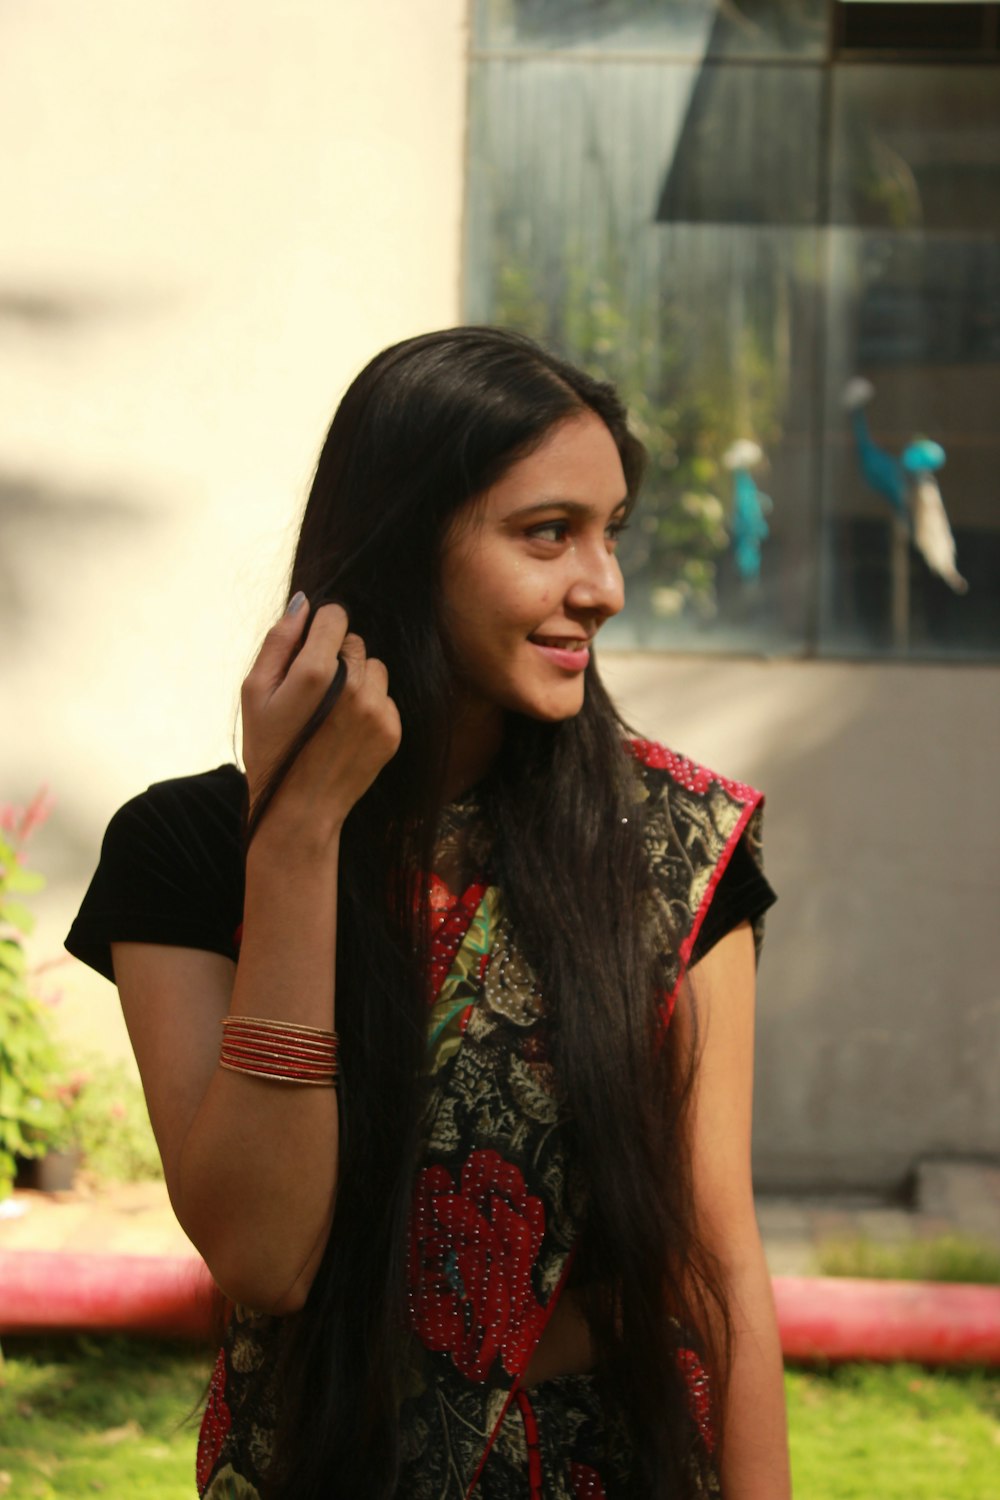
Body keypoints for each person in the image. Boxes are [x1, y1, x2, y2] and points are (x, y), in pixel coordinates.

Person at [65, 327, 791, 1499]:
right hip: (326, 1465)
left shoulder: (668, 843)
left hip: (615, 1466)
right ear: (407, 545)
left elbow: (718, 1262)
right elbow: (262, 1254)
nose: (601, 587)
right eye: (548, 534)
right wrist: (296, 834)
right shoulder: (191, 851)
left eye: (610, 535)